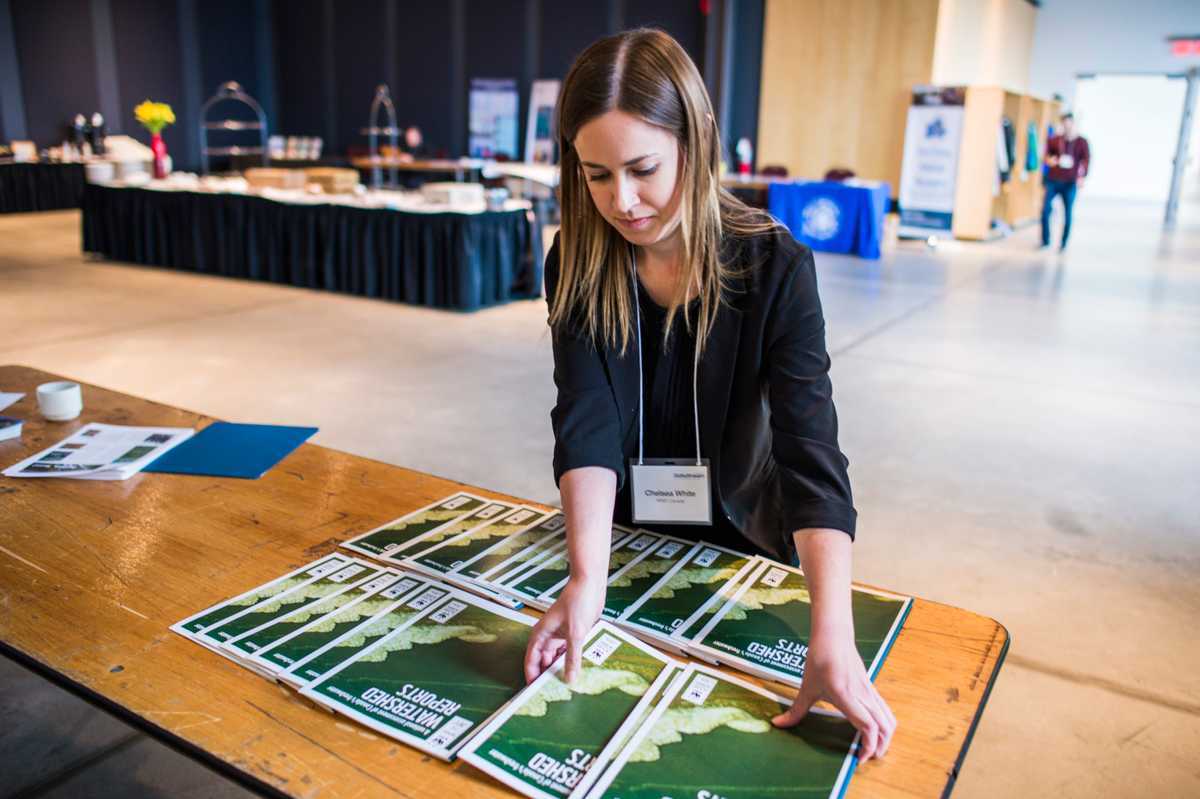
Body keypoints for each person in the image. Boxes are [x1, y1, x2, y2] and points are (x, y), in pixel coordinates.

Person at [523, 28, 896, 761]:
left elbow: (810, 454)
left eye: (642, 168)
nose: (622, 202)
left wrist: (833, 636)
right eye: (596, 175)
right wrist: (586, 576)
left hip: (744, 534)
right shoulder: (575, 258)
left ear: (693, 142)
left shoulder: (776, 266)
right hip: (620, 532)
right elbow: (588, 419)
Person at [1040, 112, 1090, 251]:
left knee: (1067, 213)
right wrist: (1050, 160)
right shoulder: (1055, 140)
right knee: (1045, 210)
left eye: (1069, 123)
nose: (1067, 126)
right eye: (1064, 124)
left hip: (1070, 182)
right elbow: (1046, 157)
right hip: (1053, 180)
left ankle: (1063, 242)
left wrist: (1082, 177)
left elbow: (1086, 161)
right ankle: (1045, 240)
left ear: (1073, 123)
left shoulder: (1081, 142)